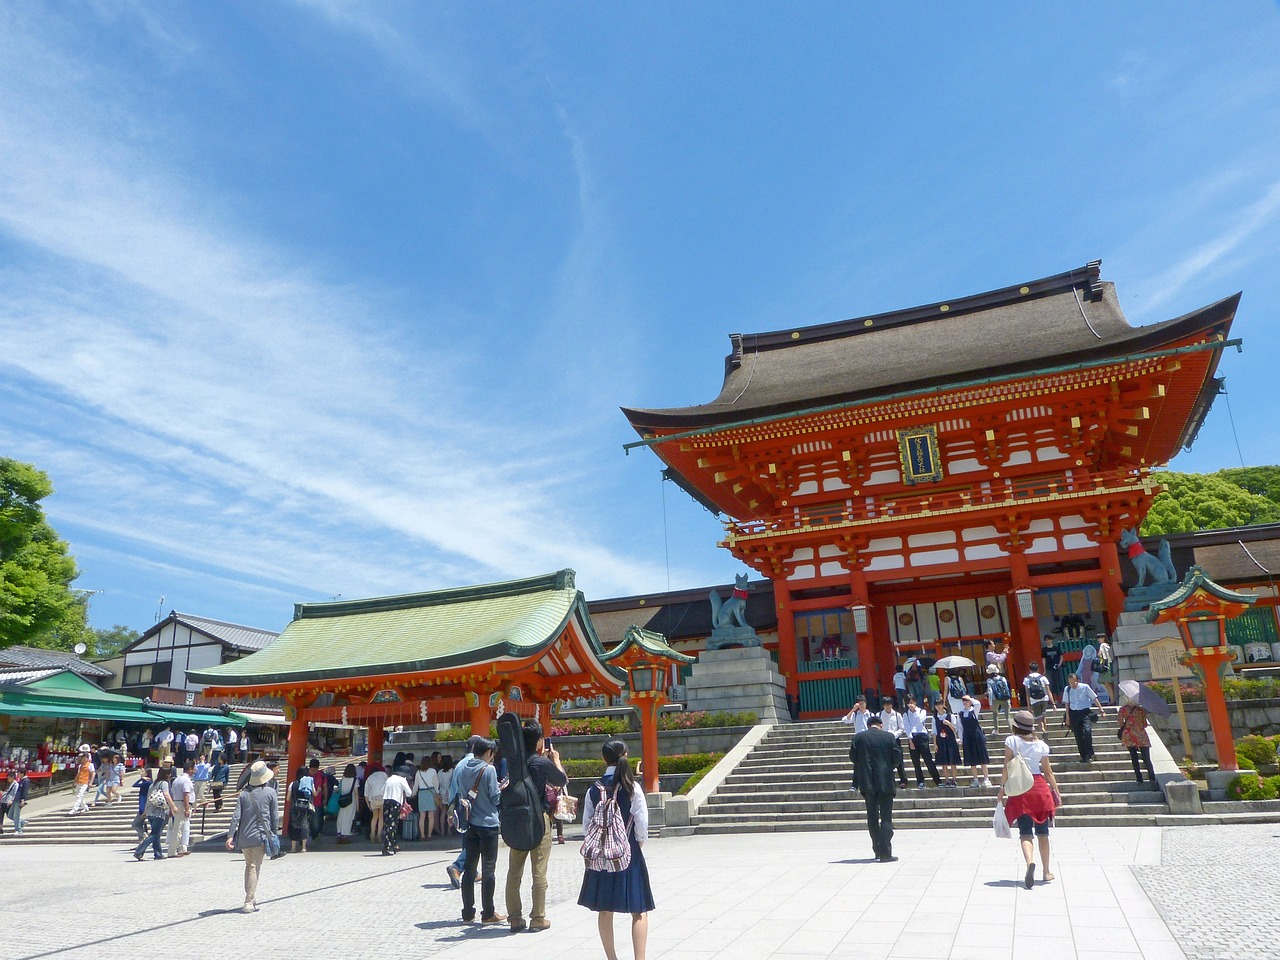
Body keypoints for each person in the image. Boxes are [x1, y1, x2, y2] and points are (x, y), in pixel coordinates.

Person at [579, 739, 654, 960]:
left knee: (604, 909)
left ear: (603, 759)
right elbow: (642, 821)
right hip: (628, 849)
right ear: (626, 755)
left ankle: (612, 958)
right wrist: (638, 842)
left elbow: (587, 824)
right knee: (639, 910)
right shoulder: (632, 786)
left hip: (602, 853)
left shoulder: (594, 789)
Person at [506, 719, 568, 933]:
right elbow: (561, 780)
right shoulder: (541, 763)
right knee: (539, 870)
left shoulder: (514, 763)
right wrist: (556, 760)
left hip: (518, 820)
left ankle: (514, 918)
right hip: (539, 820)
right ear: (540, 741)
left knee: (514, 872)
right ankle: (537, 917)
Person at [998, 710, 1062, 889]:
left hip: (1020, 788)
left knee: (1025, 831)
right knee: (1043, 832)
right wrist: (1056, 791)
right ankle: (1047, 871)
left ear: (1015, 726)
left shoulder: (1011, 741)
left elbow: (1006, 767)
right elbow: (1048, 772)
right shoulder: (1041, 744)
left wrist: (1002, 788)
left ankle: (1029, 863)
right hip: (1040, 788)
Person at [454, 736, 504, 923]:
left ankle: (468, 911)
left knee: (469, 868)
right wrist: (501, 789)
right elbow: (495, 798)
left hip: (469, 824)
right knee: (488, 869)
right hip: (488, 823)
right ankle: (488, 912)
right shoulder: (488, 769)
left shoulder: (463, 767)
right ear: (489, 753)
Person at [226, 760, 279, 914]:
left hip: (244, 836)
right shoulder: (270, 793)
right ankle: (248, 901)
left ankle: (251, 895)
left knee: (249, 866)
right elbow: (274, 817)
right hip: (260, 835)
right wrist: (273, 834)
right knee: (254, 867)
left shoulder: (243, 794)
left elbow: (236, 817)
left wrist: (230, 836)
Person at [851, 715, 902, 862]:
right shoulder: (889, 737)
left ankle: (877, 849)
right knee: (886, 817)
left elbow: (853, 758)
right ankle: (885, 852)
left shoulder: (858, 738)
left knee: (872, 817)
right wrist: (888, 767)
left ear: (868, 725)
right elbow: (897, 758)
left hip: (867, 782)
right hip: (885, 780)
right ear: (880, 724)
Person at [1117, 684, 1158, 784]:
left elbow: (1120, 723)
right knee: (1146, 758)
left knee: (1134, 757)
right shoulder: (1141, 710)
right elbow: (1144, 724)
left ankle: (1139, 778)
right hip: (1141, 735)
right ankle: (1152, 777)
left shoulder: (1122, 710)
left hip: (1129, 735)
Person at [134, 767, 175, 860]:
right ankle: (139, 851)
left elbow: (148, 798)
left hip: (150, 812)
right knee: (155, 834)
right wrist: (173, 806)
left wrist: (145, 811)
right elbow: (167, 795)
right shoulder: (164, 783)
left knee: (156, 832)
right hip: (159, 811)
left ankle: (158, 853)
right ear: (167, 775)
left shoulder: (153, 784)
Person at [1063, 672, 1105, 762]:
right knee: (1078, 735)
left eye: (1074, 682)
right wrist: (1067, 717)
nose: (1072, 684)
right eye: (1070, 682)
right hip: (1074, 714)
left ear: (1078, 680)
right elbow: (1067, 703)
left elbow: (1094, 698)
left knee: (1087, 732)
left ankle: (1090, 753)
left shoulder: (1085, 687)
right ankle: (1083, 756)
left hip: (1085, 713)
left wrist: (1101, 710)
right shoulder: (1067, 689)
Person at [901, 698, 940, 789]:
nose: (911, 704)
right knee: (916, 762)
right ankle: (920, 781)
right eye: (909, 703)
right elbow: (907, 727)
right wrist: (910, 740)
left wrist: (914, 711)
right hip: (912, 737)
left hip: (922, 736)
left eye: (912, 702)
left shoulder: (922, 711)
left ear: (915, 702)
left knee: (928, 759)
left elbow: (920, 721)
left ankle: (937, 780)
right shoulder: (906, 714)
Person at [958, 695, 992, 787]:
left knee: (982, 758)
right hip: (967, 737)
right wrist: (961, 739)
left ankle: (986, 778)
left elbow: (978, 704)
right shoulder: (960, 713)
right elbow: (960, 728)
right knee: (972, 760)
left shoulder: (974, 710)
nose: (965, 702)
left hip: (977, 735)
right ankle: (975, 779)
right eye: (964, 701)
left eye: (967, 701)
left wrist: (970, 698)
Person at [381, 763, 412, 856]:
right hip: (395, 802)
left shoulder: (389, 779)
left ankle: (393, 844)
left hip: (386, 801)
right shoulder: (402, 780)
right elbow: (409, 793)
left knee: (387, 824)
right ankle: (388, 846)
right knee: (393, 825)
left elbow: (382, 790)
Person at [878, 701, 910, 787]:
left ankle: (903, 780)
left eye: (889, 704)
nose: (887, 706)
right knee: (884, 761)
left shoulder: (897, 715)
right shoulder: (879, 715)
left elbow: (901, 728)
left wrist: (894, 735)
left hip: (895, 740)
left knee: (899, 760)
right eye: (885, 704)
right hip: (883, 740)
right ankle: (887, 780)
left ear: (892, 705)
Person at [168, 759, 195, 857]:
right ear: (190, 769)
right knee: (179, 828)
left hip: (176, 803)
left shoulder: (176, 779)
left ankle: (181, 848)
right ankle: (172, 851)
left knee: (181, 827)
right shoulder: (186, 780)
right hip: (182, 804)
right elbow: (186, 795)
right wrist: (187, 808)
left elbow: (172, 794)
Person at [932, 701, 961, 787]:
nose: (938, 707)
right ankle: (947, 780)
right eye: (936, 705)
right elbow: (934, 732)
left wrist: (949, 724)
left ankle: (954, 780)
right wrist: (935, 743)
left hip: (950, 739)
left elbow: (955, 729)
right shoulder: (935, 717)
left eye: (940, 705)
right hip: (940, 740)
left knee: (952, 761)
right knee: (943, 762)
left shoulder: (950, 715)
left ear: (943, 705)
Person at [287, 766, 315, 853]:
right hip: (305, 808)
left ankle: (293, 848)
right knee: (305, 825)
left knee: (294, 826)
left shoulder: (293, 783)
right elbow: (314, 793)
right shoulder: (309, 782)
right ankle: (303, 847)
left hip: (295, 808)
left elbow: (288, 798)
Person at [1022, 661, 1055, 732]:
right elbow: (1048, 691)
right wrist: (1053, 703)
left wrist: (1028, 706)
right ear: (1038, 669)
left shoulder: (1027, 679)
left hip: (1034, 700)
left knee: (1038, 718)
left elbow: (1027, 694)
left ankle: (1042, 730)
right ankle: (1045, 729)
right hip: (1044, 699)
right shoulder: (1043, 678)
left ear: (1030, 670)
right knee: (1043, 715)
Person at [414, 757, 439, 842]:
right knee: (431, 816)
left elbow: (415, 785)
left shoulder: (418, 772)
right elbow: (436, 784)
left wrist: (413, 793)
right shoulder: (433, 771)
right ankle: (429, 835)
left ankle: (422, 835)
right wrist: (437, 792)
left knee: (422, 816)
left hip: (422, 793)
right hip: (431, 792)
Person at [364, 762, 388, 843]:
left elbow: (366, 793)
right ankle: (379, 834)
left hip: (374, 798)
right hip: (382, 797)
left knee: (374, 817)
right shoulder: (384, 775)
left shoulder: (369, 778)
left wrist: (368, 805)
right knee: (381, 817)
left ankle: (372, 834)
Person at [986, 664, 1013, 733]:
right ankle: (1012, 731)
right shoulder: (1002, 678)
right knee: (1008, 716)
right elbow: (1006, 688)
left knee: (995, 714)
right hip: (1005, 698)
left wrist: (990, 703)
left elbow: (990, 692)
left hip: (995, 699)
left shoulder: (989, 680)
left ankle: (996, 730)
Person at [2, 767, 30, 835]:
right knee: (10, 815)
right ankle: (22, 822)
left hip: (19, 800)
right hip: (15, 800)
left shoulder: (26, 781)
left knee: (16, 815)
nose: (17, 774)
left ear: (22, 773)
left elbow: (25, 791)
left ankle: (18, 830)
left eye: (19, 773)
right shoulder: (21, 780)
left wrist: (23, 800)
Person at [69, 745, 95, 815]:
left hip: (85, 782)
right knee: (79, 796)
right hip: (79, 782)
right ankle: (85, 807)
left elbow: (93, 773)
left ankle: (74, 809)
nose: (82, 759)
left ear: (86, 758)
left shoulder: (90, 765)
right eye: (81, 758)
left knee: (79, 796)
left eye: (83, 757)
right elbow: (78, 774)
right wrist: (74, 782)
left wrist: (91, 782)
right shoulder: (80, 766)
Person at [130, 769, 153, 841]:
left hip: (143, 808)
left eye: (143, 772)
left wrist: (141, 779)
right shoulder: (148, 782)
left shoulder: (147, 783)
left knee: (135, 824)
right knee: (140, 824)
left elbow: (135, 785)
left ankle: (144, 835)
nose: (141, 773)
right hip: (144, 807)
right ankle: (141, 842)